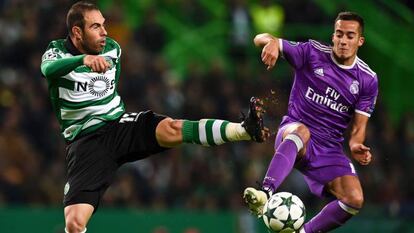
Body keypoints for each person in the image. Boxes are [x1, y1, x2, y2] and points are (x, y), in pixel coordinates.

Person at [40, 2, 269, 233]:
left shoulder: (112, 49)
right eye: (96, 27)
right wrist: (82, 60)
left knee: (173, 128)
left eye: (104, 25)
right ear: (77, 32)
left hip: (118, 125)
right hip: (86, 142)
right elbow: (48, 69)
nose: (104, 32)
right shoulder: (57, 50)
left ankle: (243, 129)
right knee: (74, 223)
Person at [243, 12, 378, 233]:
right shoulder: (312, 52)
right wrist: (273, 44)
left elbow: (359, 128)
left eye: (350, 36)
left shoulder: (367, 79)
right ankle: (264, 193)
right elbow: (260, 38)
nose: (343, 40)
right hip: (294, 132)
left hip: (329, 149)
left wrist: (355, 145)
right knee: (302, 131)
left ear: (360, 41)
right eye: (339, 34)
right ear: (333, 36)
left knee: (354, 199)